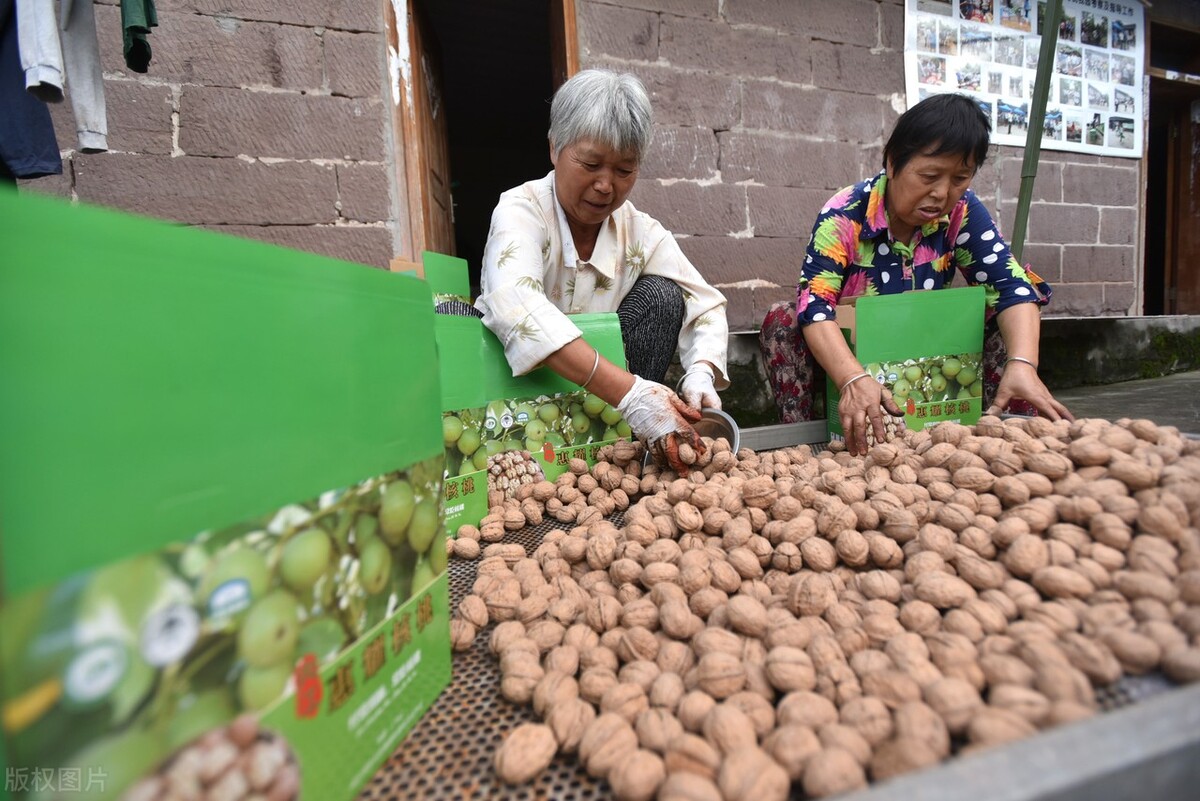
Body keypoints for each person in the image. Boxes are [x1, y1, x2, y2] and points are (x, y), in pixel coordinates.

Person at [759, 93, 1073, 456]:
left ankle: (999, 446)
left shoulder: (962, 212)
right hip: (851, 358)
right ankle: (803, 449)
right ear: (893, 164)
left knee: (1007, 325)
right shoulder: (844, 214)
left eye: (960, 178)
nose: (942, 194)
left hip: (925, 361)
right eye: (929, 176)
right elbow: (815, 306)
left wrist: (1023, 363)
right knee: (783, 320)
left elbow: (1011, 287)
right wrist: (852, 377)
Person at [476, 69, 729, 472]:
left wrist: (701, 371)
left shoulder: (639, 231)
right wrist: (631, 394)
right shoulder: (521, 210)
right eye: (591, 163)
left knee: (663, 296)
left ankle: (630, 448)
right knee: (454, 317)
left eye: (624, 170)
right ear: (555, 148)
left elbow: (705, 302)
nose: (606, 186)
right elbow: (516, 302)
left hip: (606, 403)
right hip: (525, 390)